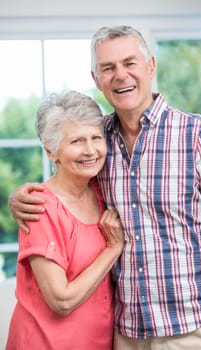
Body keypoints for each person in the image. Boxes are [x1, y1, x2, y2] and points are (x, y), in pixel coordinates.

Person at [8, 25, 201, 349]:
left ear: (151, 65)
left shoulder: (198, 134)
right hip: (127, 333)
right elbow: (66, 184)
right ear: (96, 78)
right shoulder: (100, 142)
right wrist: (20, 195)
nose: (120, 75)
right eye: (108, 68)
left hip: (193, 329)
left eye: (130, 63)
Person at [6, 90, 125, 350]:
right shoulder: (39, 208)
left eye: (96, 137)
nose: (90, 150)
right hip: (45, 343)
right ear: (51, 152)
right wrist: (112, 249)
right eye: (76, 141)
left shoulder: (102, 190)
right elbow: (62, 300)